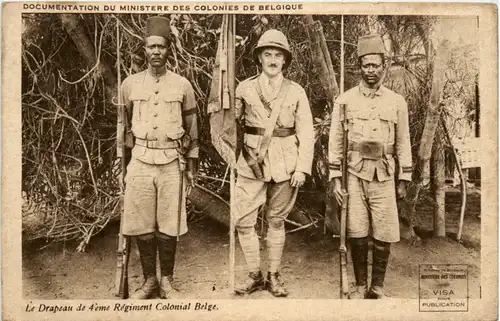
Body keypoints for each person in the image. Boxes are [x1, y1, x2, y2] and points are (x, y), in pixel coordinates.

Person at [328, 34, 412, 299]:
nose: (371, 70)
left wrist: (404, 177)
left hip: (384, 174)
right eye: (366, 65)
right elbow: (336, 143)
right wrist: (336, 178)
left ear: (383, 66)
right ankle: (360, 285)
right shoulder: (344, 101)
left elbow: (403, 141)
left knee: (385, 230)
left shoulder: (396, 102)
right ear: (359, 67)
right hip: (354, 173)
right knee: (357, 231)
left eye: (376, 65)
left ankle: (377, 287)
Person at [120, 16, 198, 299]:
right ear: (144, 49)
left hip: (170, 161)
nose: (156, 52)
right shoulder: (129, 84)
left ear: (168, 50)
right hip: (140, 159)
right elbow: (123, 125)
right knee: (141, 223)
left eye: (161, 47)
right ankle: (149, 281)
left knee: (168, 223)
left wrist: (191, 164)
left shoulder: (182, 85)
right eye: (151, 46)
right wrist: (123, 162)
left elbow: (192, 127)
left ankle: (167, 281)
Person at [234, 29, 314, 297]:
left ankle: (273, 276)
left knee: (276, 221)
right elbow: (229, 123)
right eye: (267, 54)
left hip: (285, 164)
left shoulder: (296, 91)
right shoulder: (243, 88)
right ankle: (254, 275)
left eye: (277, 55)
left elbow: (306, 133)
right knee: (244, 221)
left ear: (285, 61)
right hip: (250, 162)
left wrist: (302, 167)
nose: (272, 59)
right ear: (259, 58)